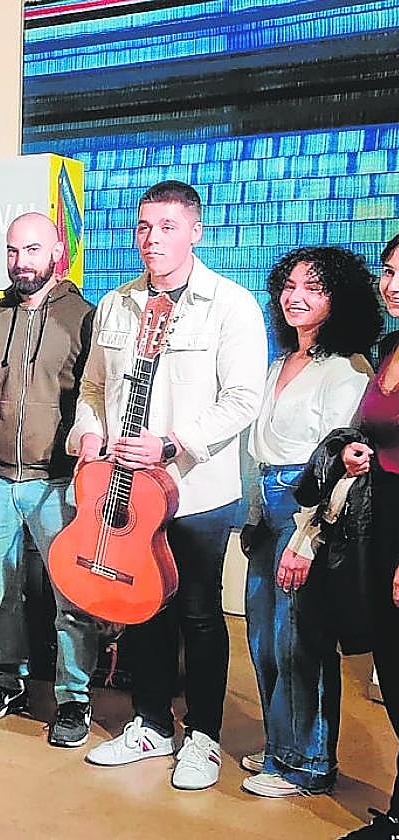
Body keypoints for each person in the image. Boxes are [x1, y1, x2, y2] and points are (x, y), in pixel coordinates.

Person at [71, 180, 266, 790]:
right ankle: (151, 723)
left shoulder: (230, 305)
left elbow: (242, 399)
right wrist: (88, 432)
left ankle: (203, 735)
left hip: (197, 491)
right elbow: (95, 388)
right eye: (144, 227)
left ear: (195, 231)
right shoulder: (116, 303)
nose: (152, 239)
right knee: (139, 607)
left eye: (168, 226)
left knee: (199, 613)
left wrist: (173, 442)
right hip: (125, 490)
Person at [239, 247, 378, 798]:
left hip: (306, 509)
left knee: (300, 642)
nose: (295, 297)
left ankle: (309, 762)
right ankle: (281, 745)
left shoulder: (348, 368)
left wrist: (308, 538)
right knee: (264, 640)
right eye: (289, 285)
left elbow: (340, 464)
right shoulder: (282, 360)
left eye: (313, 289)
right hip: (265, 504)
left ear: (337, 300)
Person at [0, 212, 99, 748]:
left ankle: (74, 699)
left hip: (57, 481)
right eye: (12, 251)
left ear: (57, 252)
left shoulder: (85, 317)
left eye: (31, 250)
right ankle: (7, 678)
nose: (20, 262)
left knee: (73, 597)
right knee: (2, 592)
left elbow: (98, 398)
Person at [337, 233, 399, 839]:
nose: (393, 284)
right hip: (380, 521)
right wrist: (362, 452)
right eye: (388, 271)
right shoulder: (387, 347)